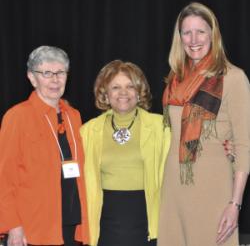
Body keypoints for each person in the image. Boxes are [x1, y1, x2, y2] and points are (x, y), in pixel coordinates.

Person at [158, 2, 250, 246]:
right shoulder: (175, 79)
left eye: (200, 31)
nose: (193, 39)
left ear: (213, 34)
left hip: (214, 188)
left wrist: (235, 204)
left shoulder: (234, 78)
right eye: (186, 32)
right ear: (179, 38)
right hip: (173, 188)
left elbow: (244, 145)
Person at [0, 46, 89, 246]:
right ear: (32, 78)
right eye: (46, 73)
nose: (55, 80)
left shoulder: (73, 116)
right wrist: (13, 225)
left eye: (60, 72)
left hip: (71, 224)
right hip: (34, 228)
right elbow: (4, 177)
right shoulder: (17, 117)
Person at [80, 60, 171, 246]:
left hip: (149, 225)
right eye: (115, 87)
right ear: (105, 95)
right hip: (103, 226)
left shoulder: (162, 127)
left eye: (130, 86)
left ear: (140, 93)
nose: (123, 93)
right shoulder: (87, 131)